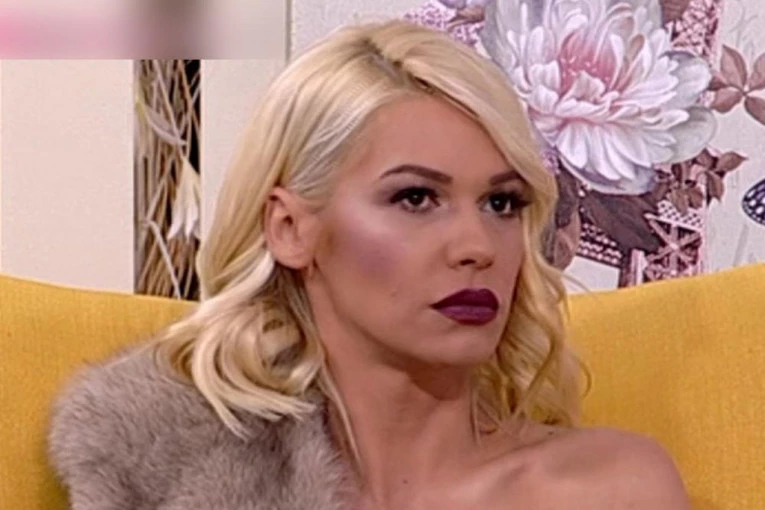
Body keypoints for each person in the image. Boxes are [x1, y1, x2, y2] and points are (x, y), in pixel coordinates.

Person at [48, 20, 690, 510]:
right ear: (291, 229)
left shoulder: (608, 488)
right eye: (416, 198)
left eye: (501, 203)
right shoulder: (170, 470)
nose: (478, 245)